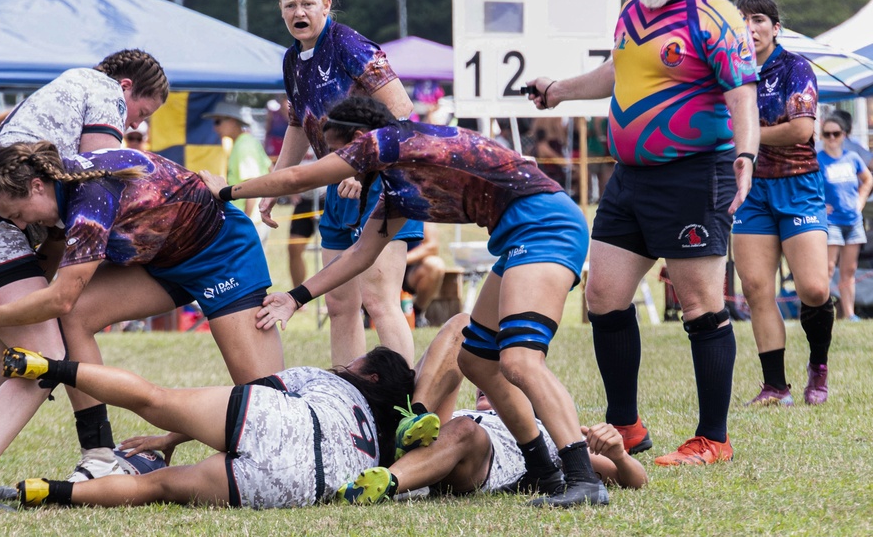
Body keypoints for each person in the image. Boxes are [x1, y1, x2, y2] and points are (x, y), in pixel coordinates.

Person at [201, 95, 607, 508]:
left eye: (341, 150)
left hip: (545, 225)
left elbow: (295, 180)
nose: (340, 160)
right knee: (476, 361)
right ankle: (543, 470)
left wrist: (228, 191)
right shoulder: (396, 185)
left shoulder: (391, 142)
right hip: (522, 234)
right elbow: (360, 254)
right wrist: (296, 296)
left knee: (520, 361)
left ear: (359, 139)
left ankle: (583, 478)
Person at [525, 0, 759, 466]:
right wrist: (558, 90)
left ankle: (713, 439)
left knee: (700, 305)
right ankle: (626, 426)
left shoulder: (714, 16)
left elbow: (741, 97)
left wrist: (746, 155)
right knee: (603, 296)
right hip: (630, 178)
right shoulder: (632, 11)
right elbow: (616, 70)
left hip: (695, 175)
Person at [0, 140, 285, 511]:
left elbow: (61, 296)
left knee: (269, 411)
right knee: (73, 318)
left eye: (19, 213)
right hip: (162, 259)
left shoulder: (89, 199)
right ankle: (99, 455)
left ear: (37, 186)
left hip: (223, 254)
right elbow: (55, 272)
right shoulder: (63, 184)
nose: (22, 224)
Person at [0, 49, 170, 510]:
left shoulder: (63, 91)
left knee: (11, 361)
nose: (135, 124)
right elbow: (104, 169)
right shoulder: (101, 89)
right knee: (45, 357)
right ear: (127, 88)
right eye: (142, 112)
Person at [0, 345, 412, 511]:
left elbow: (250, 395)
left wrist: (169, 434)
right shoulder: (378, 451)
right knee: (153, 488)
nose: (350, 362)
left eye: (360, 361)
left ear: (371, 377)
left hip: (280, 421)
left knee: (154, 399)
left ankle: (48, 367)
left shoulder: (332, 381)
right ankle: (44, 491)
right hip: (292, 484)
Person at [258, 0, 422, 368]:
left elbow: (402, 112)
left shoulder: (348, 44)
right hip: (340, 184)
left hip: (386, 181)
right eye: (290, 5)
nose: (298, 11)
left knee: (380, 301)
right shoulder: (293, 59)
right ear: (280, 9)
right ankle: (347, 400)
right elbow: (298, 125)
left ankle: (405, 405)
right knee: (339, 303)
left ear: (326, 5)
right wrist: (277, 187)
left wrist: (365, 168)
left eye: (307, 3)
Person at [337, 314, 648, 503]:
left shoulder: (551, 434)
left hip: (481, 460)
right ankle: (413, 415)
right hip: (431, 439)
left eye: (506, 378)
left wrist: (618, 455)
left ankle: (384, 483)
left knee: (464, 430)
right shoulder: (453, 417)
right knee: (464, 327)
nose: (490, 381)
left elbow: (636, 481)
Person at [731, 0, 834, 408]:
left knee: (813, 288)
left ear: (776, 28)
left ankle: (819, 367)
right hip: (749, 188)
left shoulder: (794, 67)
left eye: (758, 19)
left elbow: (801, 130)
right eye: (742, 21)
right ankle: (775, 386)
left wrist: (744, 137)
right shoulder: (727, 72)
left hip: (798, 185)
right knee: (756, 287)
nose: (750, 28)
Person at [819, 115, 873, 323]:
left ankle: (850, 314)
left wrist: (860, 202)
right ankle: (823, 310)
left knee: (849, 270)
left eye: (836, 133)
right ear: (822, 136)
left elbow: (867, 179)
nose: (832, 137)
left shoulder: (852, 157)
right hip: (831, 223)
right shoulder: (818, 159)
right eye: (827, 134)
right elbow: (807, 187)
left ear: (843, 135)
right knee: (829, 268)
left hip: (853, 222)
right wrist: (819, 206)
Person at [204, 101, 273, 242]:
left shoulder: (243, 146)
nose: (215, 128)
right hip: (255, 219)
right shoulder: (248, 141)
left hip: (250, 221)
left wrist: (245, 222)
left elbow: (252, 186)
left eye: (218, 122)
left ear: (233, 121)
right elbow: (270, 169)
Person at [404, 222, 447, 327]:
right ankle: (367, 314)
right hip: (376, 265)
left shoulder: (420, 207)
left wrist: (401, 260)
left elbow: (432, 246)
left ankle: (418, 313)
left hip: (409, 267)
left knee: (435, 265)